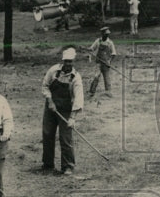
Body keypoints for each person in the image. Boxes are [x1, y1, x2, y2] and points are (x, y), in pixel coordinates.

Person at [42, 47, 84, 175]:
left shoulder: (76, 78)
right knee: (48, 134)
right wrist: (50, 101)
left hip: (66, 109)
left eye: (70, 61)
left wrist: (72, 118)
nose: (68, 64)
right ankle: (48, 164)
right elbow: (45, 86)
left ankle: (68, 166)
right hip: (51, 107)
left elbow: (78, 98)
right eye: (66, 61)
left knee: (65, 138)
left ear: (73, 62)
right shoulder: (54, 71)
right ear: (62, 61)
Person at [87, 26, 117, 96]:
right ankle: (92, 92)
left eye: (107, 34)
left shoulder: (110, 43)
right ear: (102, 34)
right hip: (98, 63)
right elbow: (92, 48)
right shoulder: (98, 41)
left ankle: (108, 92)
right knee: (96, 76)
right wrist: (87, 49)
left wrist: (110, 62)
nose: (107, 36)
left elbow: (114, 54)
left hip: (106, 63)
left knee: (106, 77)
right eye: (105, 34)